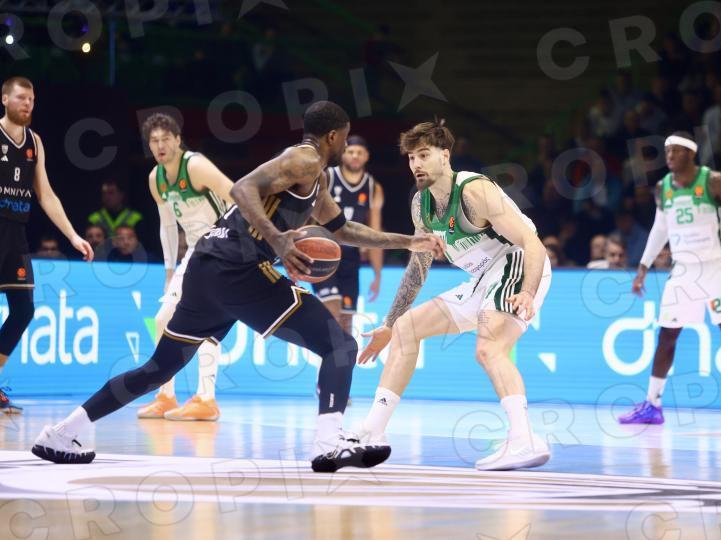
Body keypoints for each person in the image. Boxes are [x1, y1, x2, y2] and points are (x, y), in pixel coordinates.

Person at [30, 101, 442, 469]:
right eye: (346, 137)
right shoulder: (303, 158)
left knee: (157, 370)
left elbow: (342, 229)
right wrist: (277, 239)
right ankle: (328, 442)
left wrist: (408, 241)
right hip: (238, 268)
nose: (346, 144)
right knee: (340, 346)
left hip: (206, 269)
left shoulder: (316, 180)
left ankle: (64, 432)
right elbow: (243, 188)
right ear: (333, 136)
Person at [355, 119, 553, 472]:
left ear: (445, 156)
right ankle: (373, 431)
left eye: (424, 155)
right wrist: (388, 323)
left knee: (489, 348)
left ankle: (524, 440)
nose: (416, 164)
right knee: (406, 329)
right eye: (411, 157)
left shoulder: (474, 191)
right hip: (484, 277)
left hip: (517, 263)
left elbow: (531, 242)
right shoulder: (421, 205)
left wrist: (527, 291)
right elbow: (418, 269)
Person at [620, 132, 721, 429]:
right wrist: (643, 267)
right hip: (683, 271)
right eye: (667, 151)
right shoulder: (662, 188)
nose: (669, 156)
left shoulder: (714, 180)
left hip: (716, 268)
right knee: (667, 336)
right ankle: (652, 404)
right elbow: (659, 230)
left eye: (675, 151)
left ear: (691, 153)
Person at [0, 76, 93, 413]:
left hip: (16, 233)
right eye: (21, 97)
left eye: (32, 99)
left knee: (24, 311)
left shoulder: (35, 142)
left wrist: (73, 235)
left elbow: (47, 195)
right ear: (5, 99)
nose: (27, 104)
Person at [135, 112, 234, 422]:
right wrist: (169, 272)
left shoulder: (195, 166)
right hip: (194, 251)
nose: (160, 145)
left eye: (166, 139)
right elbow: (167, 226)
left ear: (178, 140)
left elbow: (236, 195)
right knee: (162, 318)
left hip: (222, 247)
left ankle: (206, 399)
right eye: (154, 141)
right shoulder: (156, 179)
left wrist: (241, 242)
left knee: (208, 322)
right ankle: (166, 395)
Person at [316, 135, 384, 334]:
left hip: (350, 258)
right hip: (323, 252)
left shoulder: (373, 187)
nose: (355, 156)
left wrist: (377, 274)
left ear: (366, 156)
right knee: (333, 308)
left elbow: (375, 233)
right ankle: (326, 347)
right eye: (350, 151)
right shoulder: (327, 176)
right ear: (343, 154)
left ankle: (338, 353)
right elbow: (307, 214)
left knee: (347, 322)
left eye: (359, 152)